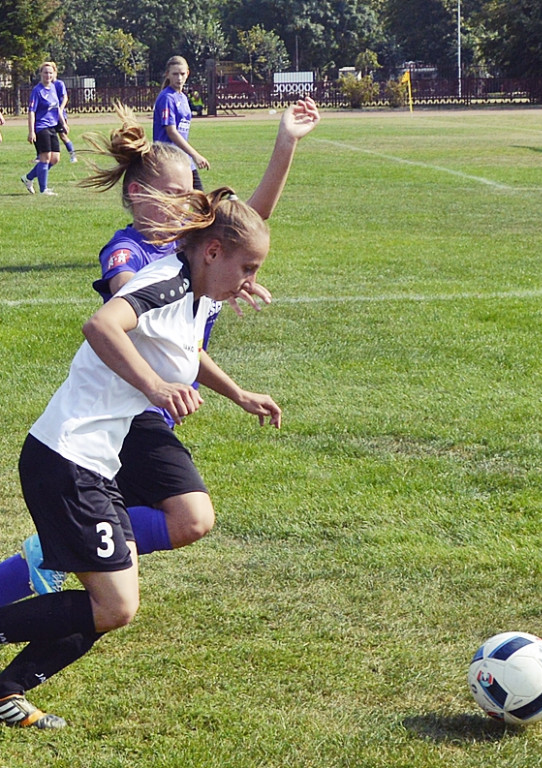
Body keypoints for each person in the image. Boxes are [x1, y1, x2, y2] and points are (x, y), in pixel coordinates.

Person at [0, 97, 320, 606]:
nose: (186, 203)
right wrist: (160, 369)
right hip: (132, 413)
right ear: (138, 194)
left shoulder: (200, 250)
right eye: (173, 194)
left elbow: (250, 224)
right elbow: (127, 313)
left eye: (190, 192)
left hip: (154, 410)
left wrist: (286, 142)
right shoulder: (131, 254)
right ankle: (54, 551)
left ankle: (61, 550)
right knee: (190, 518)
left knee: (176, 521)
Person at [0, 186, 275, 729]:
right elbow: (101, 325)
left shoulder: (199, 294)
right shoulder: (165, 282)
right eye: (248, 266)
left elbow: (188, 351)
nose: (252, 280)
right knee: (115, 607)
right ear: (212, 251)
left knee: (114, 604)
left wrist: (238, 393)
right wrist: (153, 387)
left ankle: (7, 688)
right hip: (66, 458)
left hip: (94, 465)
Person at [154, 55, 208, 190]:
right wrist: (195, 154)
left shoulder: (183, 97)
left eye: (182, 74)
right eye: (175, 74)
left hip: (183, 159)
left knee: (200, 202)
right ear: (167, 75)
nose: (179, 78)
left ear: (187, 73)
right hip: (168, 160)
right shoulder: (167, 97)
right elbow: (171, 132)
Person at [21, 61, 68, 195]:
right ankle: (44, 189)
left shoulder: (53, 88)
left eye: (50, 72)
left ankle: (28, 178)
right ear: (41, 74)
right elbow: (31, 111)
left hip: (52, 126)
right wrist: (31, 131)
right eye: (45, 72)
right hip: (41, 127)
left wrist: (63, 123)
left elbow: (57, 108)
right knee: (45, 157)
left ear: (54, 74)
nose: (48, 75)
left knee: (55, 159)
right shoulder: (37, 90)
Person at [53, 74, 78, 162]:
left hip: (59, 115)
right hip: (48, 116)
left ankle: (73, 155)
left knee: (63, 136)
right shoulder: (44, 85)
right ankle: (40, 157)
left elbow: (65, 97)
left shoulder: (59, 84)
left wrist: (61, 108)